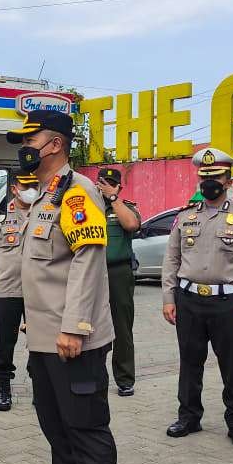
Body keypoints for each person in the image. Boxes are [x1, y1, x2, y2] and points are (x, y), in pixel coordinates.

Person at [7, 109, 123, 464]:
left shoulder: (77, 193)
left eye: (30, 139)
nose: (24, 148)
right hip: (44, 339)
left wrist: (74, 326)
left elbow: (87, 261)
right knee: (56, 425)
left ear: (53, 144)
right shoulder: (43, 196)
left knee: (86, 427)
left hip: (73, 339)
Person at [161, 147, 233, 448]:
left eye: (215, 177)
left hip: (229, 303)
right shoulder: (185, 217)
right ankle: (189, 416)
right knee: (189, 362)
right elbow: (172, 259)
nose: (209, 182)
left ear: (228, 181)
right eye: (204, 176)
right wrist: (169, 298)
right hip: (189, 300)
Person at [0, 172, 40, 411]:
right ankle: (4, 389)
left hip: (38, 290)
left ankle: (41, 386)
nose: (31, 190)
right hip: (7, 289)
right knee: (4, 342)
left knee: (40, 341)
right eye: (26, 186)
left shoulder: (44, 212)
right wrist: (5, 273)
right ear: (15, 189)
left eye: (34, 186)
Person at [95, 167, 141, 397]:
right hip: (91, 274)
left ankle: (124, 379)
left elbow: (131, 225)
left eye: (111, 183)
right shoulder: (88, 207)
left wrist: (114, 199)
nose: (106, 186)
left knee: (121, 327)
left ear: (119, 186)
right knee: (90, 325)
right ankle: (94, 375)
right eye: (103, 182)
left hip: (118, 273)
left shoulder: (125, 207)